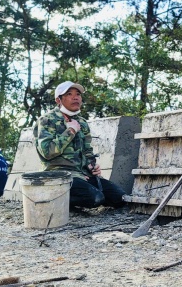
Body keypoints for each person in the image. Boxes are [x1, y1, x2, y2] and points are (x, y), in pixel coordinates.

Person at [34, 81, 125, 209]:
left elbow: (87, 150)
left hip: (82, 175)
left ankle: (81, 193)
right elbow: (47, 152)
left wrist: (91, 165)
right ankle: (51, 199)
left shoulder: (82, 122)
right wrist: (70, 131)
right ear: (58, 100)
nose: (76, 97)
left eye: (78, 94)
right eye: (69, 94)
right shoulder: (47, 120)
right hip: (59, 175)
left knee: (120, 198)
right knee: (95, 198)